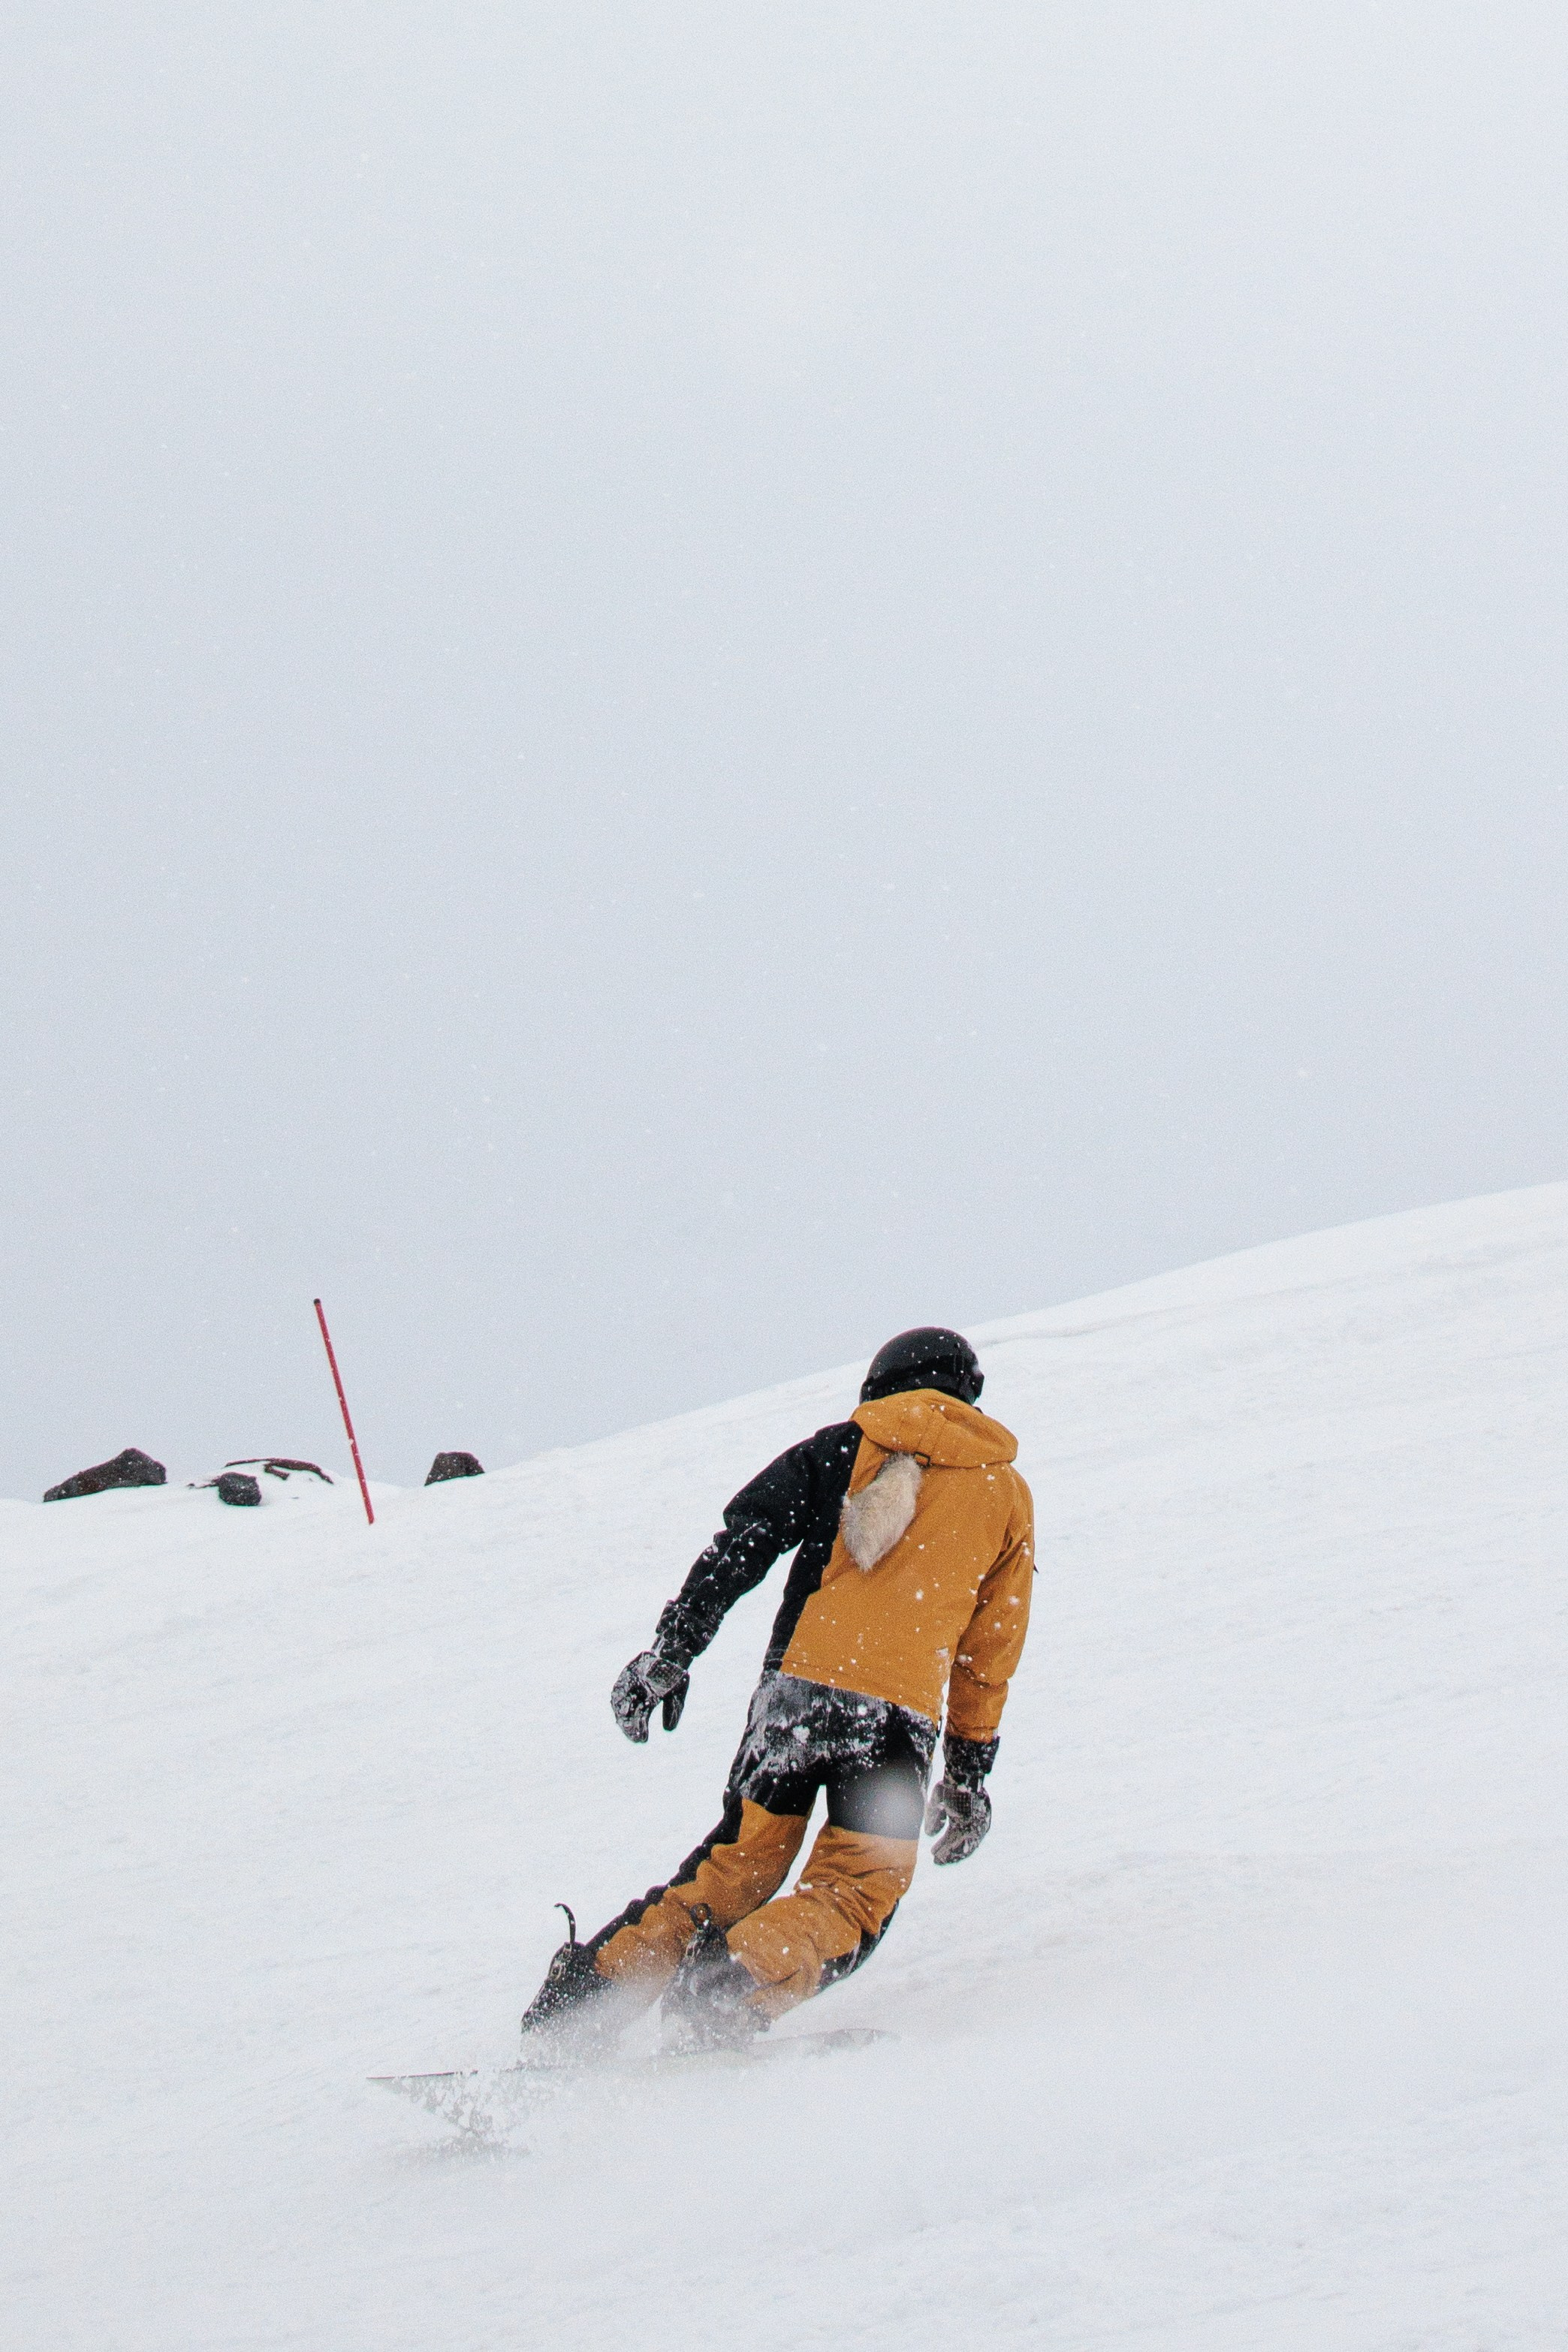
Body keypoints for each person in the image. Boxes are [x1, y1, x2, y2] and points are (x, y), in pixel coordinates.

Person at [520, 1326, 1035, 2050]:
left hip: (792, 1705)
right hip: (890, 1730)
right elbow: (990, 1650)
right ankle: (724, 1991)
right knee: (856, 1890)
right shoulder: (1004, 1495)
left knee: (732, 1869)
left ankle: (578, 2012)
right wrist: (970, 1775)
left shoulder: (842, 1445)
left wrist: (673, 1652)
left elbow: (746, 1539)